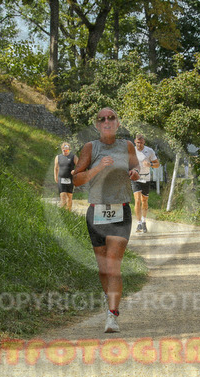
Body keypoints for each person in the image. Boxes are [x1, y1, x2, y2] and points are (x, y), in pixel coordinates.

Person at [72, 108, 140, 333]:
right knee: (103, 270)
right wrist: (98, 168)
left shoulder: (127, 146)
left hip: (120, 210)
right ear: (96, 125)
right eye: (102, 119)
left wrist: (135, 173)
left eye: (111, 118)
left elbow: (135, 167)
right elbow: (77, 180)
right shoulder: (90, 148)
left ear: (118, 123)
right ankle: (108, 298)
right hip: (97, 212)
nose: (107, 121)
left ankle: (112, 315)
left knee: (113, 266)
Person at [132, 134, 159, 233]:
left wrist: (150, 164)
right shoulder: (132, 150)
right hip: (136, 177)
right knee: (137, 200)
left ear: (144, 142)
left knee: (144, 201)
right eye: (137, 142)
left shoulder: (149, 151)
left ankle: (144, 221)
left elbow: (157, 164)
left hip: (146, 178)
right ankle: (139, 223)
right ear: (135, 141)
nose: (139, 145)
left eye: (141, 143)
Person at [54, 142, 78, 211]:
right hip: (61, 179)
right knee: (63, 196)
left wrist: (75, 171)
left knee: (69, 197)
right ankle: (63, 212)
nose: (65, 151)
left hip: (70, 179)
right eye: (64, 150)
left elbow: (79, 166)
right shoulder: (58, 157)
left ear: (69, 149)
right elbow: (55, 168)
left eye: (67, 150)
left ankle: (69, 212)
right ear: (62, 149)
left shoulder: (73, 157)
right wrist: (55, 176)